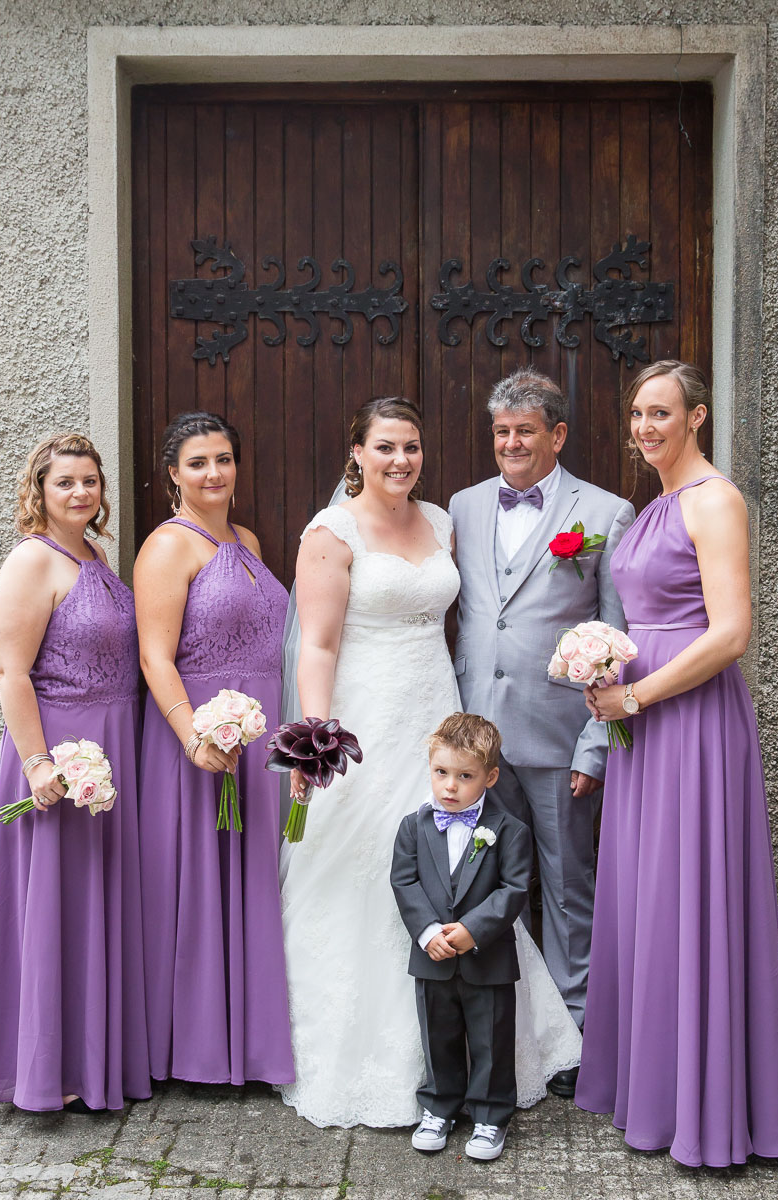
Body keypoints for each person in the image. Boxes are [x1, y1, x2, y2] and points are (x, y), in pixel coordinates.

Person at [278, 396, 581, 1128]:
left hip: (435, 712)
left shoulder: (442, 519)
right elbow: (316, 644)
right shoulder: (331, 532)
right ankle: (368, 1056)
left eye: (411, 447)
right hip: (365, 713)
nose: (400, 460)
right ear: (357, 452)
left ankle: (474, 1043)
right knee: (367, 862)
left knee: (461, 861)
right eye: (384, 447)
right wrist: (318, 735)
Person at [574, 361, 778, 1167]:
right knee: (647, 896)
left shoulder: (714, 501)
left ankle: (705, 1105)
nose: (645, 427)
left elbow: (730, 632)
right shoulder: (654, 504)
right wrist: (602, 670)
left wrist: (635, 700)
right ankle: (654, 1086)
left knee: (689, 895)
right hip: (639, 726)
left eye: (662, 414)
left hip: (692, 723)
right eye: (638, 413)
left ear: (697, 418)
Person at [449, 367, 635, 1094]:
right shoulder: (462, 507)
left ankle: (575, 1036)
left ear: (556, 434)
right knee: (488, 883)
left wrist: (599, 743)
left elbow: (616, 633)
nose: (511, 443)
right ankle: (502, 1028)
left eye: (525, 430)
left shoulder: (605, 512)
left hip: (563, 738)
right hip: (478, 740)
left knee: (565, 890)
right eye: (501, 431)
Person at [0, 434, 150, 1112]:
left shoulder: (94, 555)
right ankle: (47, 1071)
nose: (80, 493)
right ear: (39, 490)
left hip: (110, 752)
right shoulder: (30, 562)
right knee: (54, 908)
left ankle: (92, 1059)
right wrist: (39, 763)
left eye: (90, 481)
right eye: (65, 482)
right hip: (57, 757)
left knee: (93, 905)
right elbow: (11, 673)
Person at [135, 411, 293, 1088]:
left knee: (253, 881)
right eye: (198, 462)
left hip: (259, 735)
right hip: (198, 738)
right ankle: (194, 1051)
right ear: (173, 473)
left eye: (224, 458)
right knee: (198, 888)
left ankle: (249, 1042)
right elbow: (153, 656)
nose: (214, 473)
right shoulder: (168, 547)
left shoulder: (248, 539)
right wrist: (194, 733)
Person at [391, 713, 532, 1162]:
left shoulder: (510, 831)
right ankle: (439, 1107)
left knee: (491, 1037)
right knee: (438, 1033)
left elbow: (514, 888)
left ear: (489, 777)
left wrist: (474, 930)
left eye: (465, 776)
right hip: (432, 954)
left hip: (486, 958)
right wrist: (428, 930)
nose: (450, 786)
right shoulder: (414, 827)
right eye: (441, 773)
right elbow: (404, 881)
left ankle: (490, 1115)